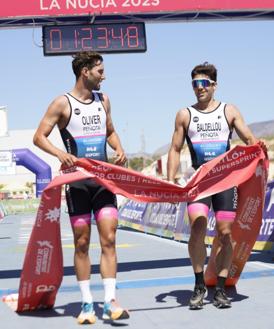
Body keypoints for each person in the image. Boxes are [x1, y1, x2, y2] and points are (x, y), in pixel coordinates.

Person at [33, 51, 129, 324]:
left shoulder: (104, 100)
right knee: (82, 243)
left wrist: (118, 148)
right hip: (76, 183)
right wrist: (59, 154)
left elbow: (110, 130)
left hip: (103, 181)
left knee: (109, 238)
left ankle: (110, 301)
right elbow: (39, 136)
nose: (104, 76)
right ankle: (87, 304)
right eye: (100, 71)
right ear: (85, 71)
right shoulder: (62, 103)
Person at [167, 62, 267, 309]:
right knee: (198, 229)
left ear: (214, 85)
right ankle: (199, 284)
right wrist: (171, 180)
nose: (199, 88)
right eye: (195, 84)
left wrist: (258, 145)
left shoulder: (229, 111)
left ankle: (221, 288)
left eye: (203, 83)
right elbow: (175, 149)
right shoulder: (185, 114)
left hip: (225, 180)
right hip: (199, 181)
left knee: (224, 233)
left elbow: (249, 140)